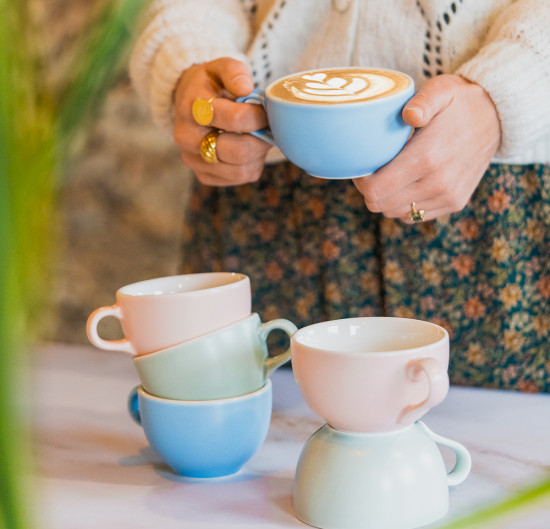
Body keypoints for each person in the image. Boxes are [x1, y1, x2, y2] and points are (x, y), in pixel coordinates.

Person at [129, 0, 550, 392]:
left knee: (503, 449)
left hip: (485, 191)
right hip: (260, 194)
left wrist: (507, 91)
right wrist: (189, 61)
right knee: (249, 433)